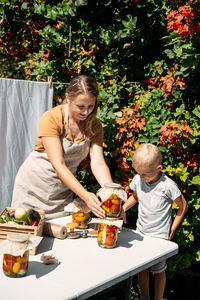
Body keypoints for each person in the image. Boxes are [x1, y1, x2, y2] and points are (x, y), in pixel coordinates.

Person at [12, 75, 113, 220]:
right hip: (33, 188)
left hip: (62, 192)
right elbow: (58, 164)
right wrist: (85, 195)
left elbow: (98, 163)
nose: (86, 112)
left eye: (90, 106)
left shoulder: (94, 125)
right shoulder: (52, 118)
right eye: (80, 106)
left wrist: (110, 192)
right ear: (68, 98)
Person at [120, 143, 187, 300]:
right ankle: (144, 296)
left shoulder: (168, 186)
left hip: (159, 237)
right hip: (141, 232)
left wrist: (172, 229)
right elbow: (136, 196)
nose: (141, 178)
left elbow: (183, 207)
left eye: (145, 175)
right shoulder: (139, 179)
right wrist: (124, 208)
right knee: (141, 268)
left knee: (158, 270)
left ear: (158, 168)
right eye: (139, 173)